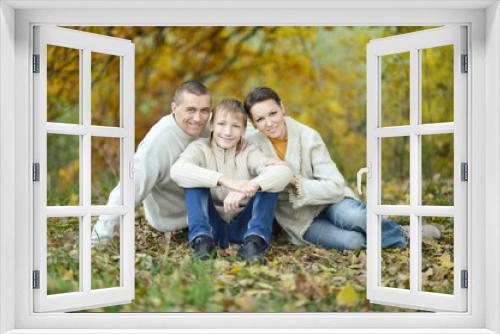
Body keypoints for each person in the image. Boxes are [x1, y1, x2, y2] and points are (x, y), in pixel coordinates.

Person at [243, 87, 424, 250]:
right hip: (299, 219)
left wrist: (294, 180)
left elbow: (336, 186)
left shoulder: (308, 136)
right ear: (253, 122)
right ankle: (375, 231)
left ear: (282, 107)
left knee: (355, 217)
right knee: (352, 241)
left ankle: (398, 233)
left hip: (330, 201)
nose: (269, 123)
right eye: (260, 119)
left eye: (273, 113)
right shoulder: (253, 145)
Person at [170, 99, 292, 262]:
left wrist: (250, 186)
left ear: (243, 130)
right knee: (194, 180)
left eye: (235, 126)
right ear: (211, 126)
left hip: (245, 226)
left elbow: (283, 172)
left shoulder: (249, 151)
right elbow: (177, 170)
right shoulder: (199, 148)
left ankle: (253, 246)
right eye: (221, 124)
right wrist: (226, 181)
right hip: (211, 227)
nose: (227, 132)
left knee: (267, 184)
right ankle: (202, 244)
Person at [91, 80, 212, 243]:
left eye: (204, 110)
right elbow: (128, 188)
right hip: (174, 222)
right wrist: (98, 240)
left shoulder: (213, 125)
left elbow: (245, 132)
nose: (198, 118)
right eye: (190, 110)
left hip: (212, 212)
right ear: (174, 108)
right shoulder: (158, 142)